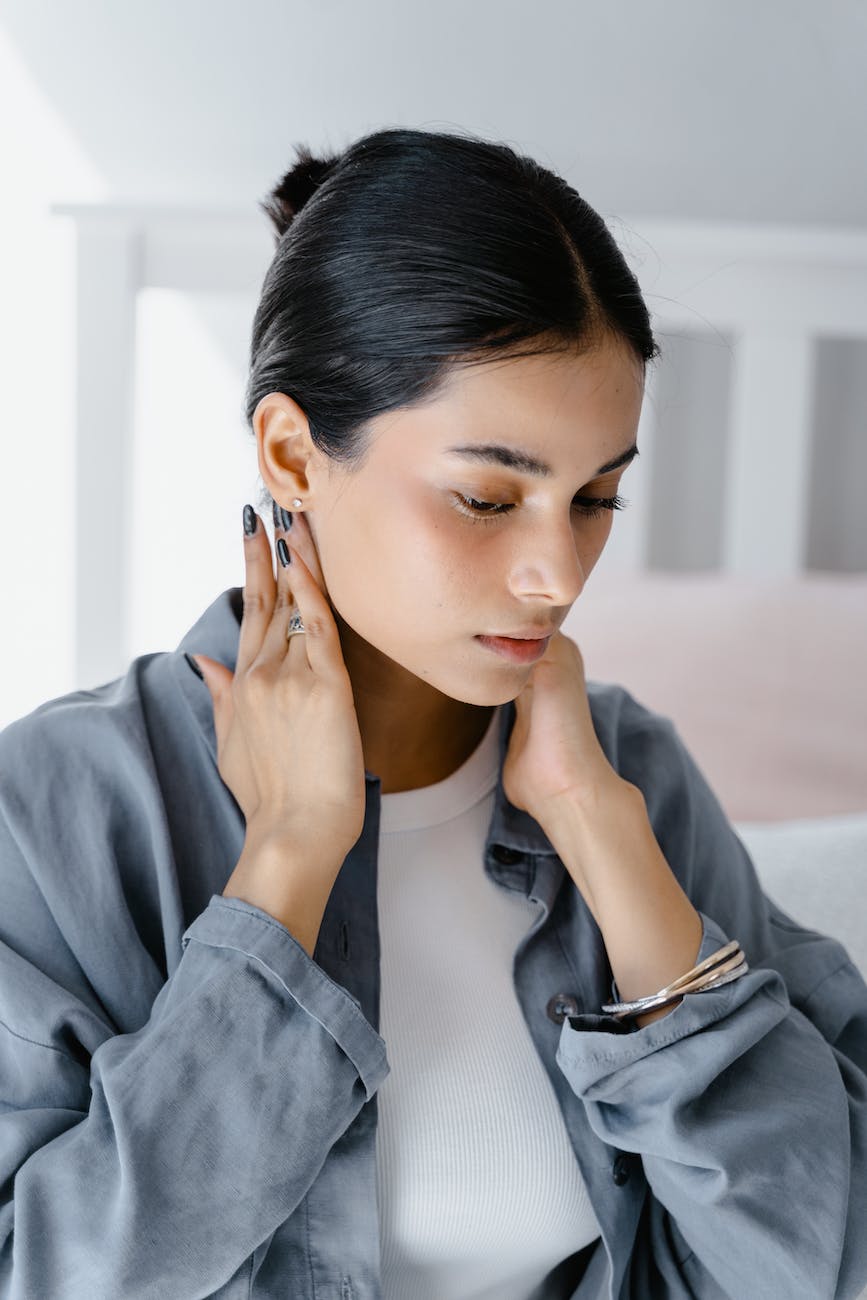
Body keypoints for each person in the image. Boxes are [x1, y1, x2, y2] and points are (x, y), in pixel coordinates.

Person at [0, 126, 865, 1300]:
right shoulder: (56, 818)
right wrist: (289, 864)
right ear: (293, 454)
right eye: (486, 496)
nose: (557, 572)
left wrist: (603, 836)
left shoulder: (635, 779)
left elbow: (820, 1261)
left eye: (598, 496)